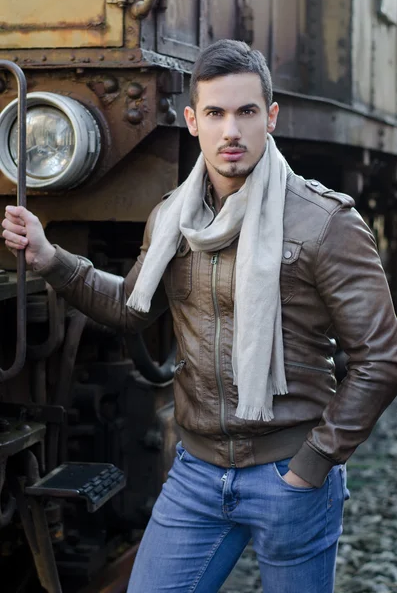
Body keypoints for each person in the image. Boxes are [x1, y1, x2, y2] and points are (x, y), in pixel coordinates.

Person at [3, 39, 397, 593]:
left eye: (246, 112)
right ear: (192, 120)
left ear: (271, 118)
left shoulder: (324, 224)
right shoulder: (172, 219)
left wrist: (313, 464)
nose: (230, 131)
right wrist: (52, 260)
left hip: (289, 474)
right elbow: (130, 308)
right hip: (197, 474)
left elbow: (379, 357)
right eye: (214, 113)